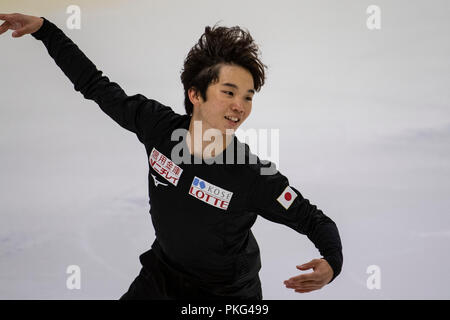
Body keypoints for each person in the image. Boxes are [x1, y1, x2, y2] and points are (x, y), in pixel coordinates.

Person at [0, 12, 343, 300]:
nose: (240, 106)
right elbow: (95, 86)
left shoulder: (252, 176)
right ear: (195, 94)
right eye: (229, 92)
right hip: (161, 276)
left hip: (225, 297)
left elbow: (314, 219)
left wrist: (332, 262)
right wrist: (46, 30)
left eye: (249, 96)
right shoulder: (158, 127)